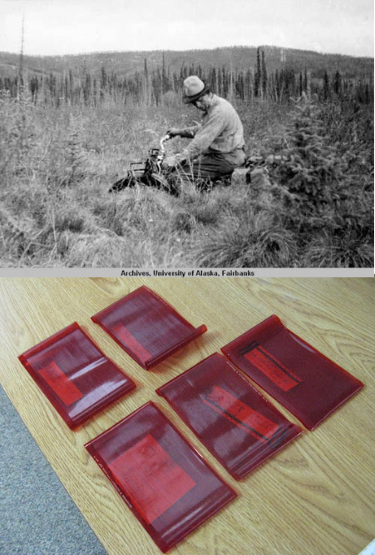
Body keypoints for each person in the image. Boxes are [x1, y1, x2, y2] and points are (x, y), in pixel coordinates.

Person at [163, 75, 246, 191]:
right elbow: (204, 130)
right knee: (184, 165)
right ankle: (206, 189)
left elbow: (200, 143)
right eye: (194, 103)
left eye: (200, 100)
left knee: (176, 176)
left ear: (208, 93)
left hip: (227, 158)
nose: (198, 105)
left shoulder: (219, 112)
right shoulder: (214, 106)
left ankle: (191, 202)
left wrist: (177, 159)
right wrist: (179, 132)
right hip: (221, 156)